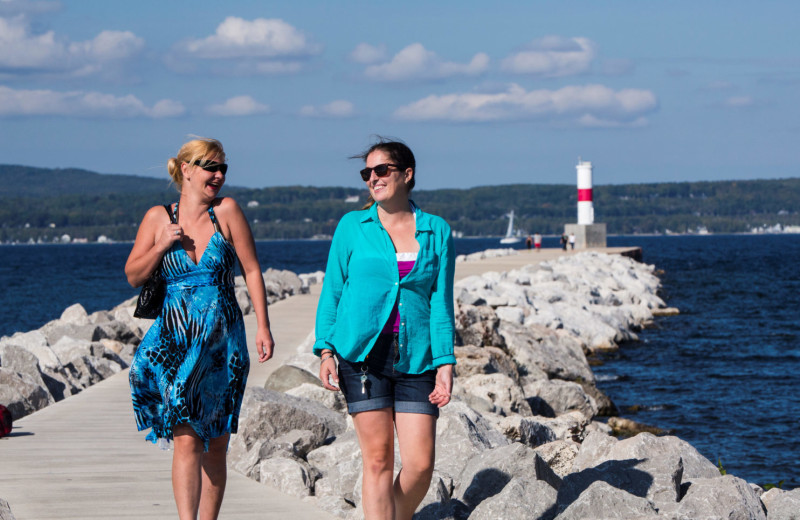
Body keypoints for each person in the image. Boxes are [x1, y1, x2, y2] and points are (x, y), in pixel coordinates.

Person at [126, 137, 274, 520]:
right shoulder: (158, 217)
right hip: (175, 340)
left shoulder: (227, 212)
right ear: (187, 169)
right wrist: (160, 246)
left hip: (221, 342)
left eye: (223, 168)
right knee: (186, 437)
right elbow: (132, 276)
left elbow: (252, 269)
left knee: (216, 442)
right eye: (211, 166)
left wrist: (264, 327)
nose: (219, 175)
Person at [315, 138, 455, 520]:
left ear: (406, 174)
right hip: (361, 357)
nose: (373, 179)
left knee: (420, 464)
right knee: (377, 461)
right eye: (367, 173)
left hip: (418, 357)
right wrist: (325, 350)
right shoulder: (352, 227)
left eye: (381, 170)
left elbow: (440, 303)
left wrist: (446, 364)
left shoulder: (437, 231)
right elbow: (333, 291)